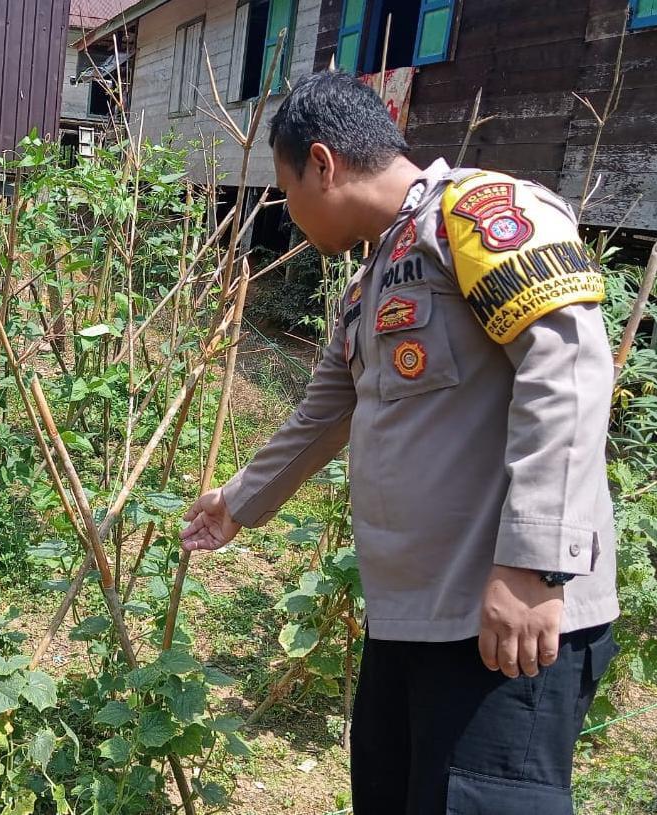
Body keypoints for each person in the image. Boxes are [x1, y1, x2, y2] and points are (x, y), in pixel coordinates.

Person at [179, 71, 620, 814]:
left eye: (286, 190)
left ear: (324, 163)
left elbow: (569, 364)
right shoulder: (371, 283)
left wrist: (534, 563)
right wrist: (238, 503)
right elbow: (323, 412)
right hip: (413, 619)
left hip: (500, 614)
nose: (289, 213)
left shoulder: (477, 216)